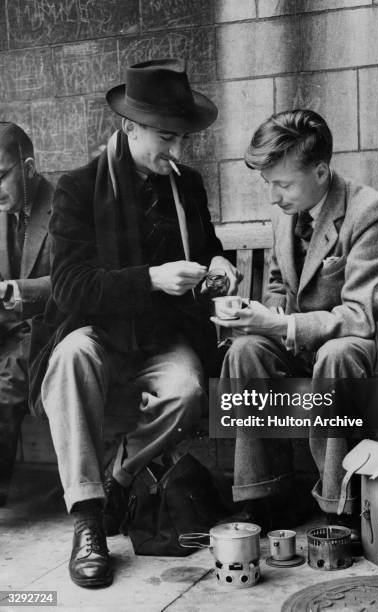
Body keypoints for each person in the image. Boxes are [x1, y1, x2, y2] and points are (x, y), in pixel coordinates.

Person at [28, 59, 239, 589]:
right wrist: (151, 278)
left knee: (189, 389)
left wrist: (218, 267)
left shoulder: (186, 185)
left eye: (183, 139)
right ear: (129, 128)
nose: (178, 151)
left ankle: (114, 486)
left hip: (163, 339)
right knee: (71, 358)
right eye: (167, 138)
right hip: (95, 333)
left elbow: (208, 247)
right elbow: (72, 287)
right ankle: (87, 522)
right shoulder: (77, 188)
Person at [213, 109, 378, 537]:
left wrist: (281, 327)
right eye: (268, 184)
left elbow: (360, 318)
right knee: (244, 350)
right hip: (299, 344)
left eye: (282, 184)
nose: (273, 197)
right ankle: (267, 497)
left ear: (321, 171)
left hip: (350, 350)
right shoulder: (285, 213)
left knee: (336, 356)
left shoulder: (371, 213)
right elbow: (279, 286)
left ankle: (342, 508)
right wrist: (254, 314)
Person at [0, 122, 53, 506]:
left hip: (47, 327)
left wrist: (16, 291)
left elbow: (74, 279)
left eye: (1, 176)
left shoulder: (66, 202)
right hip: (5, 330)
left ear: (29, 168)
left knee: (6, 380)